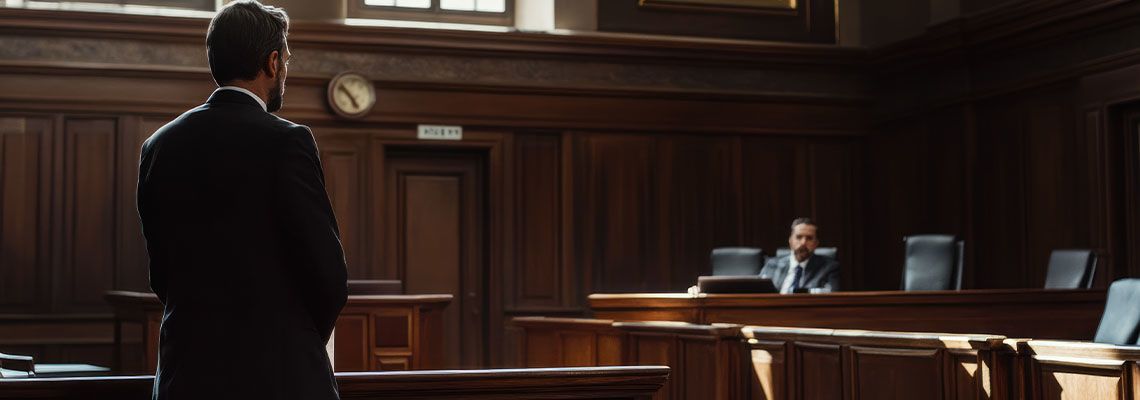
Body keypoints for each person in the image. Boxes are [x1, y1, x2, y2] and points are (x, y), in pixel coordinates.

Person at [135, 1, 347, 399]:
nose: (285, 69)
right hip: (279, 377)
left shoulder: (159, 145)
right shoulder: (287, 141)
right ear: (271, 63)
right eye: (285, 58)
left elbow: (161, 274)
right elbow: (329, 276)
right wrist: (292, 340)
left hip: (188, 375)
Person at [759, 218, 840, 294]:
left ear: (816, 243)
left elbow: (832, 296)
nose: (803, 242)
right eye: (799, 237)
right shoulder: (772, 264)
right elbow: (758, 293)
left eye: (809, 238)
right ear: (790, 241)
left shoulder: (829, 268)